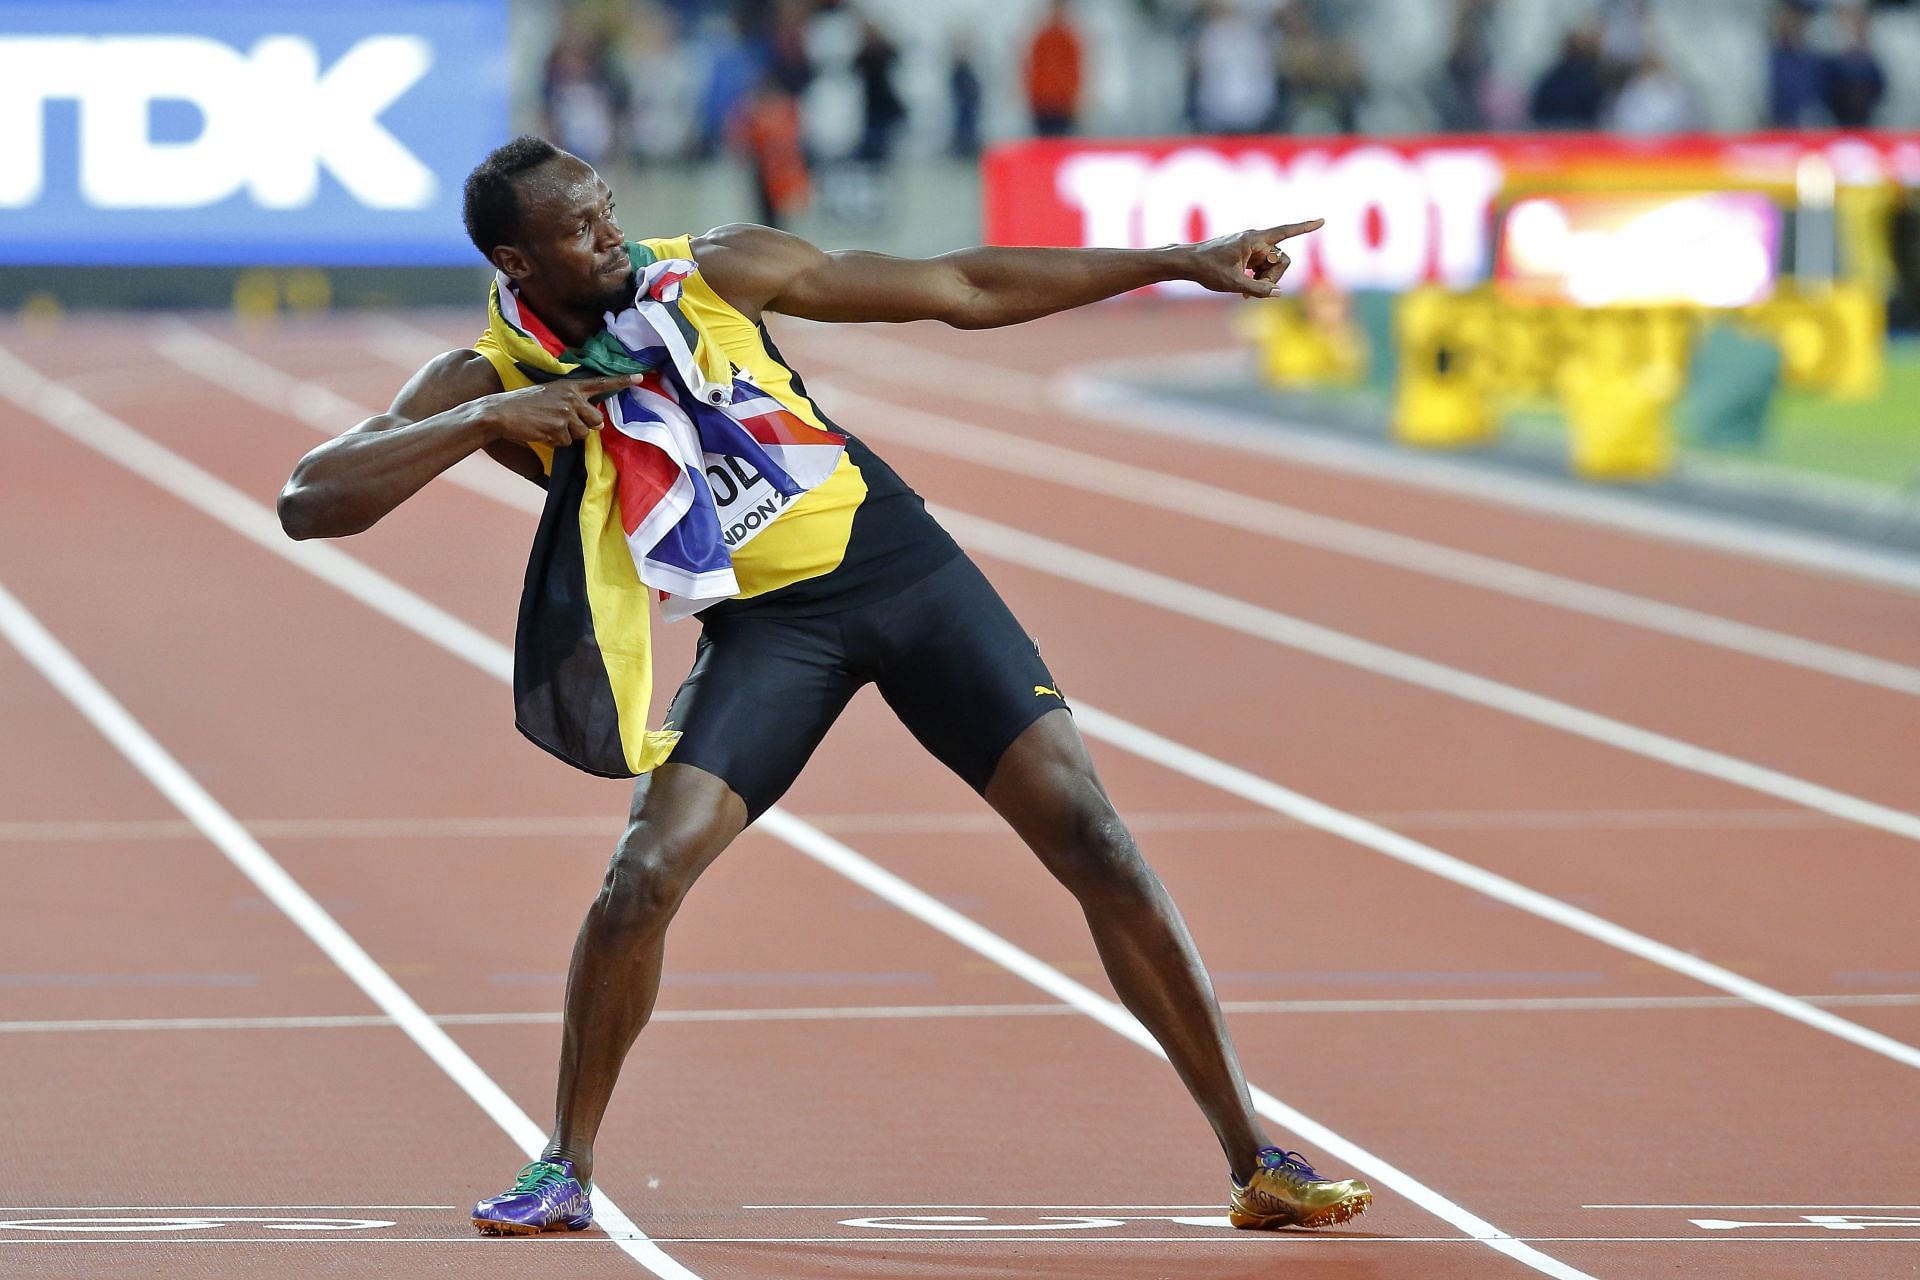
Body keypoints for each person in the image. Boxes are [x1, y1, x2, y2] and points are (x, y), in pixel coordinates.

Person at [275, 135, 1365, 1239]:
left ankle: (1255, 1158)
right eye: (580, 228)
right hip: (766, 628)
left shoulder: (715, 268)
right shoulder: (488, 377)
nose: (611, 234)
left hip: (901, 568)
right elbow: (309, 499)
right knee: (640, 879)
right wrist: (480, 423)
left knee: (1094, 836)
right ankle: (564, 1163)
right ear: (516, 261)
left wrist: (1179, 260)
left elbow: (959, 285)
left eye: (609, 209)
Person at [1025, 0, 1084, 137]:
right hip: (1042, 102)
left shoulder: (1069, 40)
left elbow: (1075, 72)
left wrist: (1075, 100)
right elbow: (1032, 68)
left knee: (1061, 143)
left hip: (1063, 104)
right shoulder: (1041, 39)